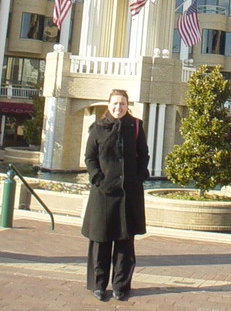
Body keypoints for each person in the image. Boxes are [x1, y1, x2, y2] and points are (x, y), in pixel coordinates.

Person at [81, 89, 150, 301]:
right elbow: (90, 157)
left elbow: (144, 154)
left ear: (127, 105)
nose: (118, 107)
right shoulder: (98, 128)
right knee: (101, 241)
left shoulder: (136, 126)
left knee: (125, 243)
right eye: (115, 103)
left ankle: (121, 285)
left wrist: (138, 176)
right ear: (108, 105)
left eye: (122, 104)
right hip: (103, 193)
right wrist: (98, 178)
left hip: (128, 193)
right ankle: (99, 285)